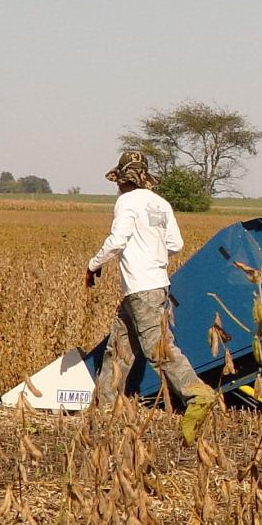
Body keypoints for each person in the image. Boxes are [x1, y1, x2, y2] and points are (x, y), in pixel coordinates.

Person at [87, 150, 215, 441]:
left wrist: (92, 265)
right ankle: (105, 405)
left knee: (158, 350)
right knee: (119, 347)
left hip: (141, 288)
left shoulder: (126, 201)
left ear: (121, 179)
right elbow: (176, 243)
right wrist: (152, 252)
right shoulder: (161, 203)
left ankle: (197, 393)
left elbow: (118, 240)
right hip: (155, 285)